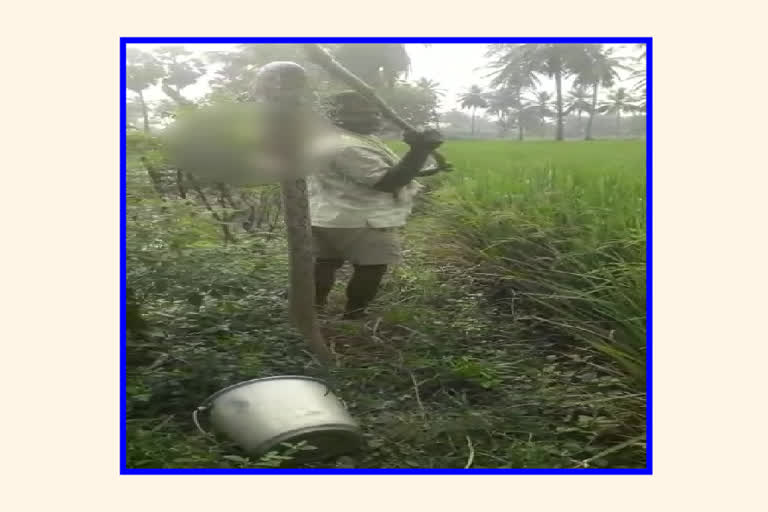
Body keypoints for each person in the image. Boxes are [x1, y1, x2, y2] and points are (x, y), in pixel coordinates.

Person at [308, 90, 447, 319]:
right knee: (372, 267)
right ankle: (354, 315)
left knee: (325, 262)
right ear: (338, 116)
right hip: (363, 218)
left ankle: (314, 309)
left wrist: (426, 164)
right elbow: (387, 181)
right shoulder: (347, 145)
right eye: (363, 114)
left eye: (375, 113)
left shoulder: (337, 137)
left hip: (328, 215)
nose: (375, 119)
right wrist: (419, 150)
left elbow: (387, 169)